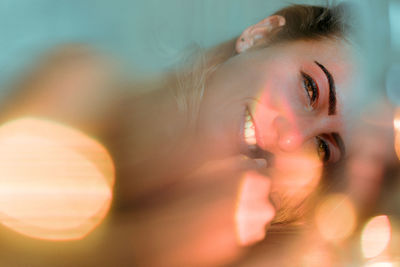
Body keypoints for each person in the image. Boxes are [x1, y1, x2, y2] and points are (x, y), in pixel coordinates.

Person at [0, 3, 356, 266]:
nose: (292, 142)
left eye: (323, 148)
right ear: (261, 35)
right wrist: (153, 244)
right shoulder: (79, 89)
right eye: (310, 89)